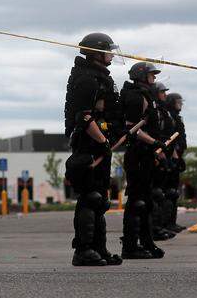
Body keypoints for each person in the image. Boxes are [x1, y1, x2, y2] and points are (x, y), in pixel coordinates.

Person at [64, 33, 124, 266]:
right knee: (90, 197)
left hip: (100, 143)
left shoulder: (99, 77)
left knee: (101, 200)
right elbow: (83, 117)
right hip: (88, 143)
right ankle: (83, 250)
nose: (111, 54)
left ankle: (99, 249)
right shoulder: (87, 79)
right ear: (96, 53)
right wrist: (102, 142)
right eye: (108, 50)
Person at [119, 62, 167, 259]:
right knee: (137, 202)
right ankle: (130, 246)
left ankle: (147, 242)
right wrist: (154, 142)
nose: (154, 78)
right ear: (141, 75)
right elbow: (132, 128)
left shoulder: (146, 95)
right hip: (137, 154)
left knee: (146, 202)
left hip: (146, 154)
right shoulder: (135, 97)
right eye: (151, 75)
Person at [150, 82, 177, 241]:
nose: (164, 95)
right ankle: (154, 228)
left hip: (164, 153)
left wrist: (172, 153)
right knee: (156, 194)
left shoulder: (162, 112)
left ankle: (161, 226)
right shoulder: (154, 111)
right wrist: (157, 152)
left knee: (167, 193)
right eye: (162, 92)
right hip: (154, 154)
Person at [164, 92, 187, 233]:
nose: (180, 103)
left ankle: (172, 222)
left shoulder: (177, 117)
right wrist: (174, 155)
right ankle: (166, 223)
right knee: (169, 192)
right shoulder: (169, 116)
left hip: (178, 155)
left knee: (174, 192)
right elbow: (170, 138)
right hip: (172, 156)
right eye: (178, 101)